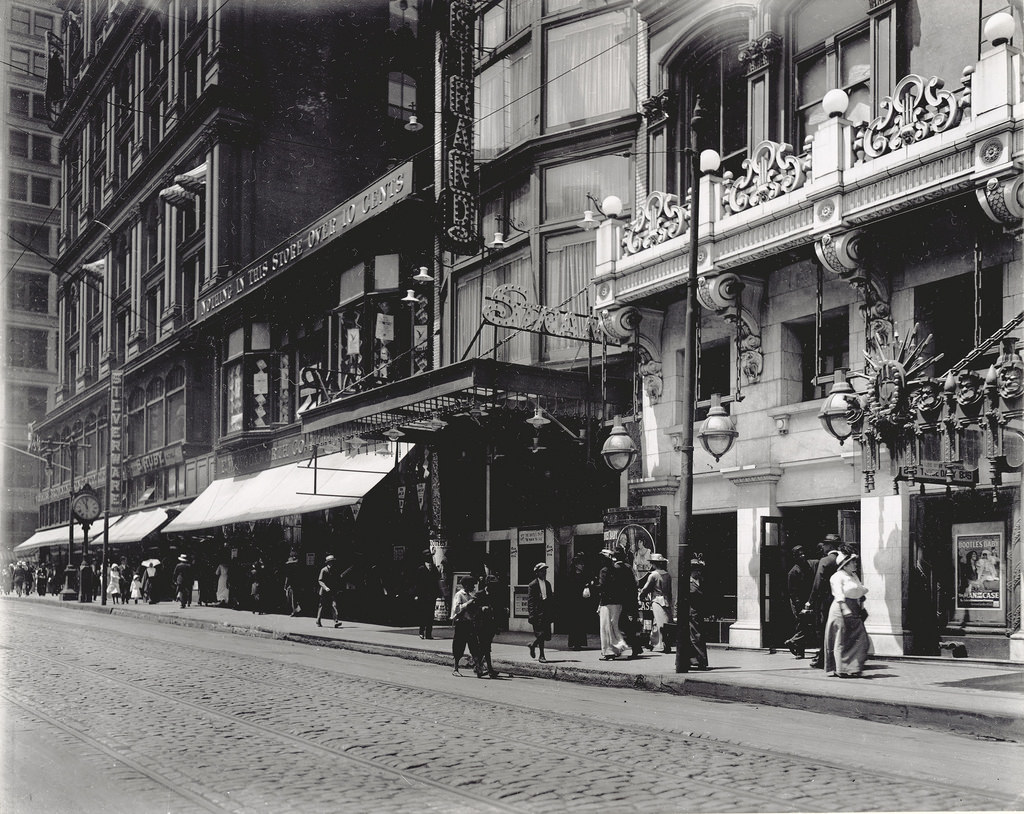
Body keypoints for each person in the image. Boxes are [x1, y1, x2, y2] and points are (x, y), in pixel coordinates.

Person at [824, 551, 870, 677]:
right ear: (845, 565)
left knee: (861, 639)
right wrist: (844, 608)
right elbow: (838, 593)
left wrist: (861, 603)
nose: (855, 564)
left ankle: (853, 668)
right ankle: (840, 669)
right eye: (852, 562)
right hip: (841, 608)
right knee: (841, 639)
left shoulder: (854, 576)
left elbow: (859, 591)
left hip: (854, 608)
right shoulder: (837, 576)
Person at [805, 534, 841, 669]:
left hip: (826, 600)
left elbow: (817, 583)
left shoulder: (826, 560)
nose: (823, 546)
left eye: (825, 544)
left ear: (830, 546)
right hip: (841, 600)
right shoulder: (843, 559)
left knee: (823, 629)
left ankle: (823, 659)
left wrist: (810, 601)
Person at [597, 548, 628, 660]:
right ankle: (617, 647)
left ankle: (609, 651)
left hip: (607, 602)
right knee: (614, 626)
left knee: (606, 627)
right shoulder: (617, 569)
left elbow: (602, 586)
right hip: (618, 602)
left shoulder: (604, 571)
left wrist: (592, 587)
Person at [638, 553, 673, 654]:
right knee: (661, 621)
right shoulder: (667, 575)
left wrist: (641, 596)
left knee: (659, 622)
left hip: (657, 600)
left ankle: (661, 644)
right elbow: (670, 591)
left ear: (654, 564)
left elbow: (646, 588)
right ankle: (654, 642)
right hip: (666, 600)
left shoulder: (653, 575)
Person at [783, 546, 814, 658]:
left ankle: (794, 644)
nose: (803, 556)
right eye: (800, 554)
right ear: (795, 557)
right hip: (798, 603)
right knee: (801, 625)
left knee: (804, 626)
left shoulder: (808, 567)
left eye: (803, 553)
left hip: (806, 601)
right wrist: (800, 608)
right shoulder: (793, 572)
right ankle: (797, 647)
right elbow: (793, 593)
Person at [450, 575, 479, 675]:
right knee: (459, 645)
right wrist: (468, 604)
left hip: (470, 623)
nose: (474, 587)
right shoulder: (459, 595)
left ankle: (478, 667)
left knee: (474, 646)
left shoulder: (472, 595)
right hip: (461, 623)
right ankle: (455, 668)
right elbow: (456, 609)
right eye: (472, 585)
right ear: (466, 585)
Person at [527, 563, 554, 663]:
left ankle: (533, 645)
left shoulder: (547, 584)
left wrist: (552, 612)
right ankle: (542, 655)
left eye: (545, 571)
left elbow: (550, 599)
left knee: (546, 635)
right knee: (540, 634)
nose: (544, 573)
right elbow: (531, 601)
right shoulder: (533, 585)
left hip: (546, 611)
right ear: (537, 573)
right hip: (537, 612)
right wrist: (532, 614)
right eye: (542, 571)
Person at [565, 552, 591, 651]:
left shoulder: (584, 576)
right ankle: (574, 643)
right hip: (573, 603)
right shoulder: (571, 576)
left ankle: (579, 643)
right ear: (576, 565)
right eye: (581, 564)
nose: (583, 565)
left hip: (581, 603)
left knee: (581, 623)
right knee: (574, 623)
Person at [413, 549, 442, 639]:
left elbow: (437, 581)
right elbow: (417, 583)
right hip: (423, 595)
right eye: (428, 556)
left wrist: (438, 593)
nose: (429, 558)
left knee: (430, 615)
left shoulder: (434, 569)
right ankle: (421, 631)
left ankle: (429, 633)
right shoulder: (421, 569)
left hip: (431, 595)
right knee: (423, 614)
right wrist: (417, 594)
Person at [687, 559, 709, 670]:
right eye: (696, 569)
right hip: (690, 613)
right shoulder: (687, 582)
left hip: (698, 613)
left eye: (699, 569)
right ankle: (700, 660)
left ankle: (698, 660)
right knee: (695, 637)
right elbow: (679, 599)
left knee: (697, 637)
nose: (698, 572)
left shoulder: (701, 580)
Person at [316, 554, 342, 628]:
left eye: (332, 562)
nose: (331, 563)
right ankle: (318, 620)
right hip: (324, 591)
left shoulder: (335, 570)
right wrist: (325, 587)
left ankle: (336, 621)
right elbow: (320, 581)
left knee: (334, 605)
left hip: (332, 591)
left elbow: (337, 580)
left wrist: (337, 588)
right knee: (321, 606)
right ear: (327, 563)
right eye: (330, 562)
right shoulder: (323, 570)